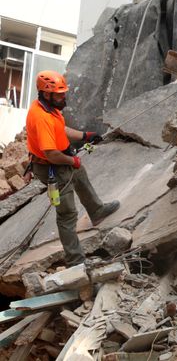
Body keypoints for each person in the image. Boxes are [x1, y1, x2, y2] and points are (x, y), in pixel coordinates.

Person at [26, 71, 119, 266]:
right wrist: (71, 161)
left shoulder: (50, 108)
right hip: (52, 166)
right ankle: (75, 260)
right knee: (67, 214)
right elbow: (51, 154)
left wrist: (85, 135)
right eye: (59, 94)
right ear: (46, 93)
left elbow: (61, 130)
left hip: (60, 159)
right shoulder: (41, 117)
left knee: (80, 175)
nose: (63, 97)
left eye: (63, 92)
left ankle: (97, 211)